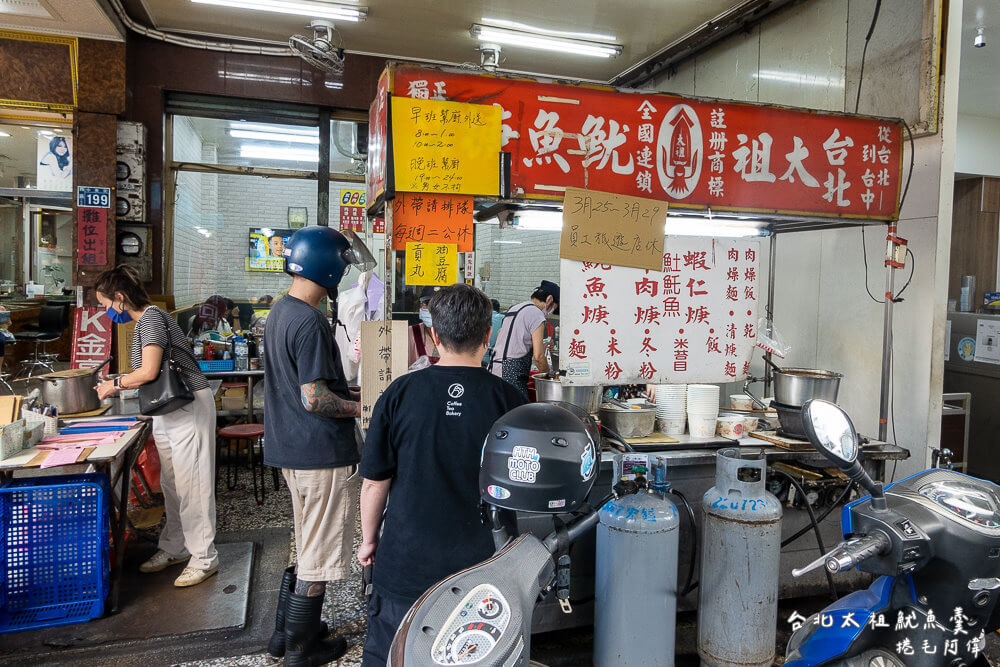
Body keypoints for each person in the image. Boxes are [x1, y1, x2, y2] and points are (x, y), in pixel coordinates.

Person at [358, 284, 526, 666]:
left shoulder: (399, 393)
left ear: (435, 336)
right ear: (489, 335)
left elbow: (374, 482)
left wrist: (369, 542)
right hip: (485, 564)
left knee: (395, 654)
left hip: (406, 563)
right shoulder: (510, 401)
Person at [263, 226, 366, 665]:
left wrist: (353, 395)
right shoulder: (309, 320)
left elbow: (310, 387)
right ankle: (303, 650)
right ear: (328, 266)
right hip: (321, 454)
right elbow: (314, 398)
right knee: (319, 556)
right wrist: (360, 412)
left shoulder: (280, 312)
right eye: (342, 264)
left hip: (292, 451)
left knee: (305, 545)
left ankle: (284, 637)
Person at [93, 265, 218, 588]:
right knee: (173, 484)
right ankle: (175, 547)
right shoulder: (146, 321)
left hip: (187, 406)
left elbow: (148, 372)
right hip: (168, 409)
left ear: (120, 298)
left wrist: (114, 384)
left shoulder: (150, 319)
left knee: (193, 486)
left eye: (106, 305)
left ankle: (204, 558)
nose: (107, 312)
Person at [487, 280, 559, 397]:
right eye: (553, 308)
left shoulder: (516, 308)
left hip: (494, 369)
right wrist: (549, 379)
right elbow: (539, 357)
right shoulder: (536, 313)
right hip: (511, 375)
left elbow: (509, 340)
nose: (551, 313)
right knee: (518, 413)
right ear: (549, 300)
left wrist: (543, 346)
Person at [406, 285, 440, 366]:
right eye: (427, 303)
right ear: (420, 305)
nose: (432, 309)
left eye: (439, 304)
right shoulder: (409, 333)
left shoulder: (455, 336)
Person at [482, 298, 505, 366]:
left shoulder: (480, 317)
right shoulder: (504, 318)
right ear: (498, 308)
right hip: (495, 361)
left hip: (479, 358)